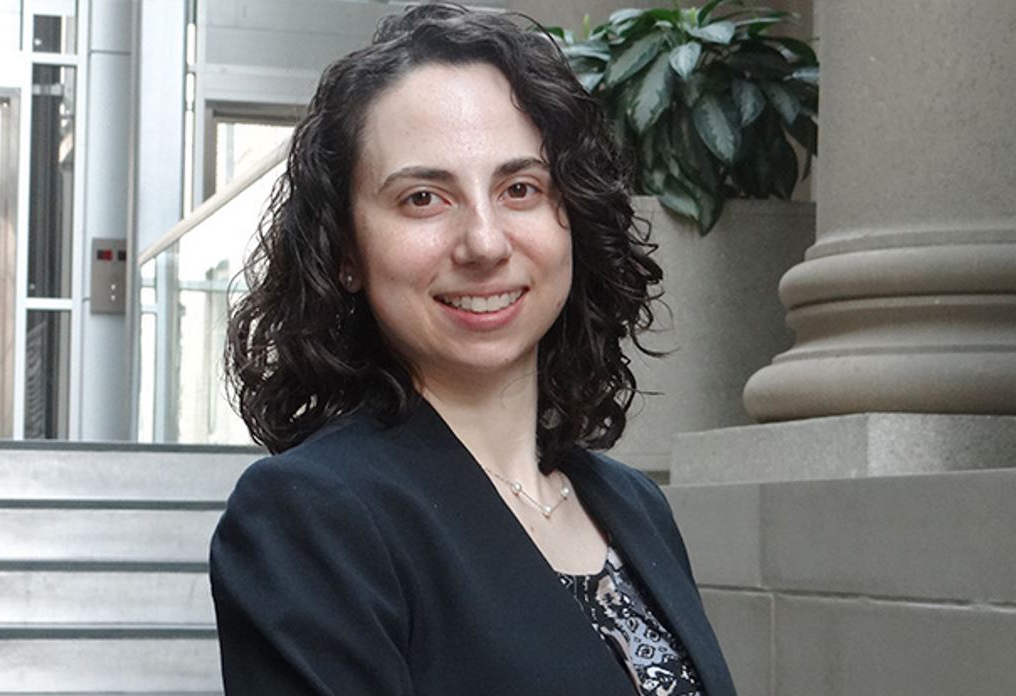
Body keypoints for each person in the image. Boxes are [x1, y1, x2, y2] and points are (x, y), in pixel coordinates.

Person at [208, 4, 737, 695]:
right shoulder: (310, 517)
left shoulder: (632, 504)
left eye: (520, 189)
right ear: (345, 251)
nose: (484, 243)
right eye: (424, 198)